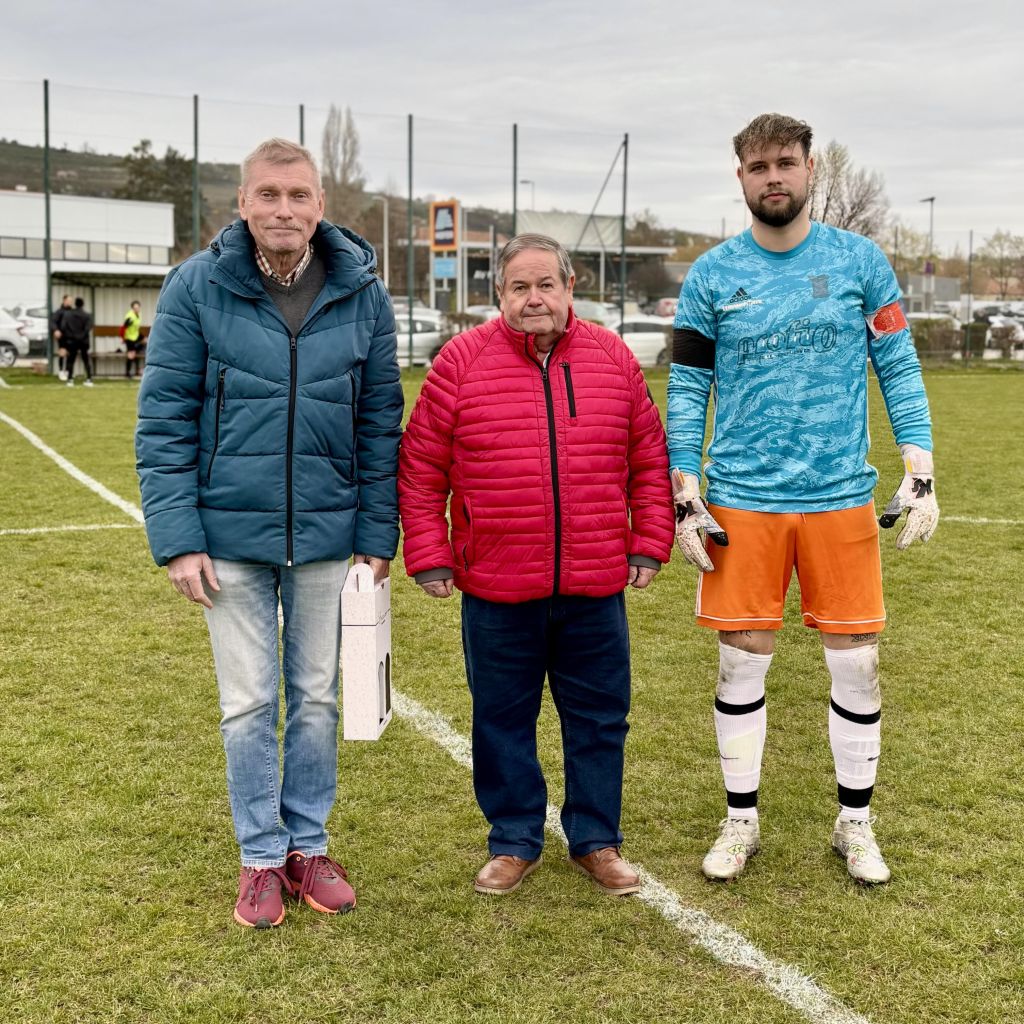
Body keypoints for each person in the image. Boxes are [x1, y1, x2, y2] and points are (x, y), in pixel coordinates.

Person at [136, 138, 403, 929]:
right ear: (243, 204)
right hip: (227, 539)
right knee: (249, 702)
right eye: (268, 195)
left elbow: (380, 423)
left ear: (321, 205)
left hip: (327, 534)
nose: (283, 209)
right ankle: (260, 855)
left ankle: (308, 846)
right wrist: (179, 538)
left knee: (316, 698)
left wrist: (376, 532)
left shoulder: (363, 293)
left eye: (298, 195)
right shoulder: (195, 286)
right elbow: (164, 419)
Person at [667, 113, 939, 885]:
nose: (773, 177)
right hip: (742, 501)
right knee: (739, 664)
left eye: (785, 162)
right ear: (741, 177)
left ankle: (855, 824)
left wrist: (920, 467)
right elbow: (687, 388)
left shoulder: (860, 262)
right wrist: (685, 490)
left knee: (857, 665)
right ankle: (740, 822)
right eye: (759, 167)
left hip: (839, 498)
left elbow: (899, 365)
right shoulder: (712, 276)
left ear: (810, 168)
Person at [399, 233, 674, 898]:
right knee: (501, 719)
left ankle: (597, 840)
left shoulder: (612, 358)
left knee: (600, 718)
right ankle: (514, 839)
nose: (533, 298)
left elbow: (648, 458)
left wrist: (649, 540)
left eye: (545, 284)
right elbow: (421, 468)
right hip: (496, 585)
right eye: (518, 287)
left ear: (569, 287)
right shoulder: (460, 361)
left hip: (594, 584)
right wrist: (430, 553)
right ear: (499, 294)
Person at [62, 297, 94, 387]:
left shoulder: (68, 314)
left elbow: (64, 327)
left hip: (72, 340)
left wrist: (72, 335)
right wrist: (82, 336)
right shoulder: (87, 315)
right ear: (83, 304)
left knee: (71, 360)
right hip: (84, 341)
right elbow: (88, 328)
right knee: (86, 359)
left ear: (75, 304)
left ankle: (70, 380)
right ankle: (89, 379)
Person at [51, 294, 72, 381]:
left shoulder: (72, 312)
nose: (70, 302)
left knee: (70, 353)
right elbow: (53, 322)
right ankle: (60, 371)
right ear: (64, 301)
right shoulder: (59, 312)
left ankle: (67, 371)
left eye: (71, 301)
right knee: (62, 353)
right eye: (69, 300)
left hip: (71, 336)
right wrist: (56, 330)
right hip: (62, 336)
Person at [121, 300, 145, 378]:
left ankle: (138, 370)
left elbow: (136, 327)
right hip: (129, 338)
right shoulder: (130, 316)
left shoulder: (138, 314)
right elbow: (124, 327)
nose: (137, 309)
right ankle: (128, 373)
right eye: (135, 308)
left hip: (136, 336)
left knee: (145, 343)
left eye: (138, 307)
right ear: (132, 308)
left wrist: (141, 337)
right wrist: (123, 338)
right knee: (131, 355)